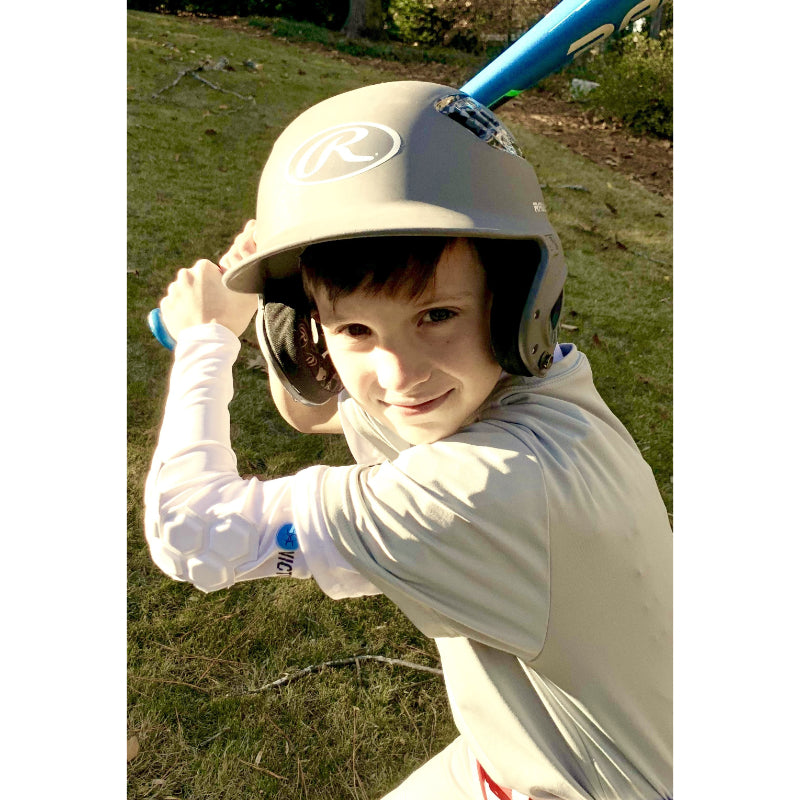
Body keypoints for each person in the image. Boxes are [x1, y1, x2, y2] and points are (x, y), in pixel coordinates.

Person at [145, 81, 672, 800]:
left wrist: (205, 340)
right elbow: (314, 414)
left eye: (435, 316)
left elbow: (192, 532)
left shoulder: (491, 491)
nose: (400, 377)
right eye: (355, 331)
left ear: (516, 304)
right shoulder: (530, 384)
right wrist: (272, 297)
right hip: (516, 751)